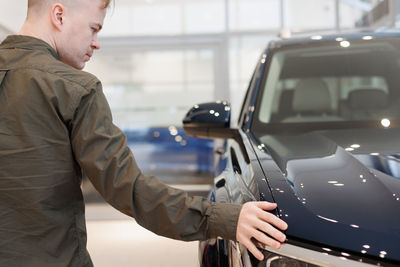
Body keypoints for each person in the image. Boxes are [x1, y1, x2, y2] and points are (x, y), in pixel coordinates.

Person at [0, 0, 288, 266]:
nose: (96, 43)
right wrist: (224, 218)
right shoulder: (74, 88)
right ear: (59, 15)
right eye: (93, 29)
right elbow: (130, 189)